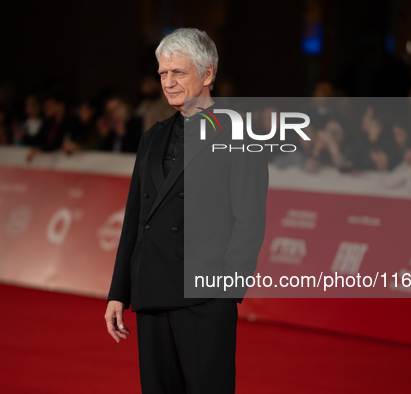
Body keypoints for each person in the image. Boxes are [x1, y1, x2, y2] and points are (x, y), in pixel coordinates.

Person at [104, 28, 267, 394]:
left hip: (204, 298)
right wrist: (119, 292)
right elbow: (135, 219)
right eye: (163, 73)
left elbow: (250, 218)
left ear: (207, 74)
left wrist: (225, 290)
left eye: (178, 72)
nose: (168, 81)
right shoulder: (152, 137)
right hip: (151, 292)